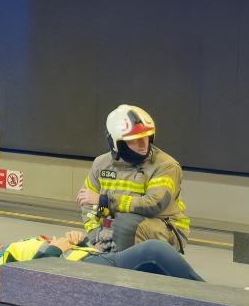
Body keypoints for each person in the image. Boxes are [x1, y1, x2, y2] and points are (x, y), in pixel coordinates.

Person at [74, 105, 190, 253]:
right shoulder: (100, 164)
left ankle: (128, 270)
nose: (143, 144)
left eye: (146, 137)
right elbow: (88, 206)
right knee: (117, 230)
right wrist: (96, 238)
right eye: (134, 140)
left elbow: (153, 204)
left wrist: (105, 200)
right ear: (117, 143)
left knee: (126, 224)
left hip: (165, 229)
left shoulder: (166, 166)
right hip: (115, 230)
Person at [0, 229, 203, 288]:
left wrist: (77, 241)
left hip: (90, 258)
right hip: (86, 267)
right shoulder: (2, 264)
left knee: (156, 267)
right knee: (154, 251)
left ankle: (208, 296)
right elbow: (36, 272)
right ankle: (209, 293)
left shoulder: (13, 248)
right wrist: (57, 247)